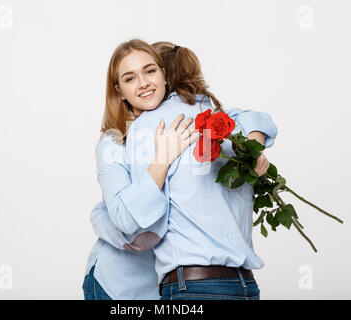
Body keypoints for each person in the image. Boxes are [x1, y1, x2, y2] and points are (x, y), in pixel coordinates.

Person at [83, 39, 277, 300]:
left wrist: (254, 143)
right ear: (119, 90)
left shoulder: (197, 124)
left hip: (175, 283)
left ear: (166, 76)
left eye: (150, 71)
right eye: (130, 78)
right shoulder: (116, 141)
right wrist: (102, 215)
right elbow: (133, 228)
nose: (143, 83)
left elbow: (249, 117)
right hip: (123, 283)